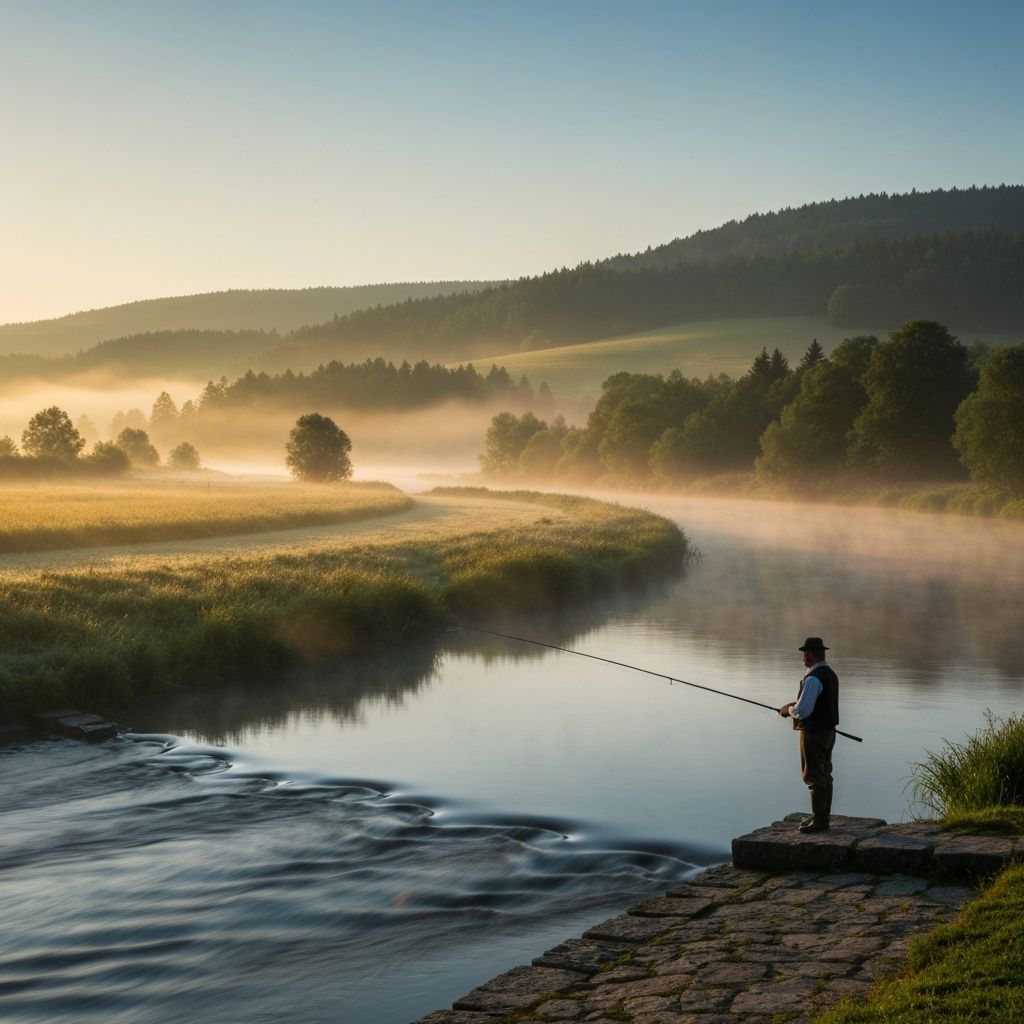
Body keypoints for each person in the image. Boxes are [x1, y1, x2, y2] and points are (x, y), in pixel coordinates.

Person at [778, 637, 839, 833]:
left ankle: (820, 821)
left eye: (805, 653)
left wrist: (788, 709)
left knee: (813, 775)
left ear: (810, 654)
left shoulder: (813, 678)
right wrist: (794, 706)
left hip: (813, 733)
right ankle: (822, 815)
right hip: (829, 732)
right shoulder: (829, 674)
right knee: (825, 773)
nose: (803, 657)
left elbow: (803, 710)